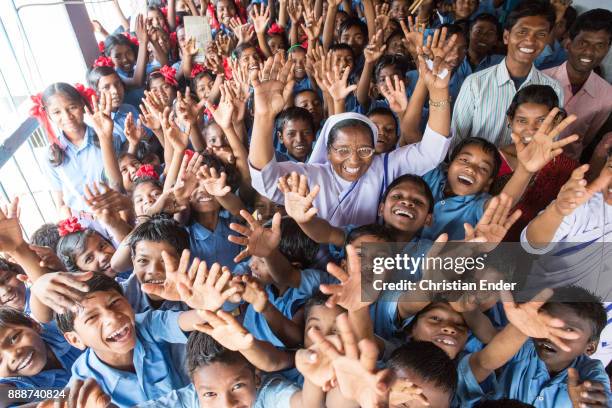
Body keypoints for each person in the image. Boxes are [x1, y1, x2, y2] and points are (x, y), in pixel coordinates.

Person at [249, 41, 453, 227]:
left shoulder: (384, 167)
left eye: (365, 150)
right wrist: (264, 116)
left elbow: (432, 152)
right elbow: (265, 180)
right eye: (343, 150)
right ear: (327, 152)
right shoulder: (313, 176)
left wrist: (438, 90)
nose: (354, 159)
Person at [451, 0, 563, 148]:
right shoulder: (475, 83)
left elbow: (549, 143)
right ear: (506, 36)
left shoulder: (554, 88)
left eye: (540, 34)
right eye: (522, 32)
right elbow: (457, 143)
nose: (530, 41)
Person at [521, 155, 612, 298]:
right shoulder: (582, 202)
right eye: (611, 167)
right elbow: (532, 244)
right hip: (534, 308)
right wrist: (557, 211)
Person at [543, 8, 612, 161]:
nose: (589, 52)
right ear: (568, 44)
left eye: (599, 45)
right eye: (583, 43)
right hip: (530, 161)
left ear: (607, 50)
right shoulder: (541, 79)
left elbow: (586, 139)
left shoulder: (607, 95)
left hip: (568, 170)